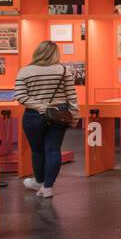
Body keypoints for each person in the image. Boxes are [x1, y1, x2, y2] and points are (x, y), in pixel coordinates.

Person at [14, 40, 77, 199]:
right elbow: (71, 96)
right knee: (53, 149)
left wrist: (40, 107)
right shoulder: (63, 70)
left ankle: (39, 180)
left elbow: (20, 96)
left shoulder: (25, 71)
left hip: (33, 115)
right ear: (55, 53)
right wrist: (74, 115)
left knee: (37, 150)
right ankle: (47, 187)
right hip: (58, 114)